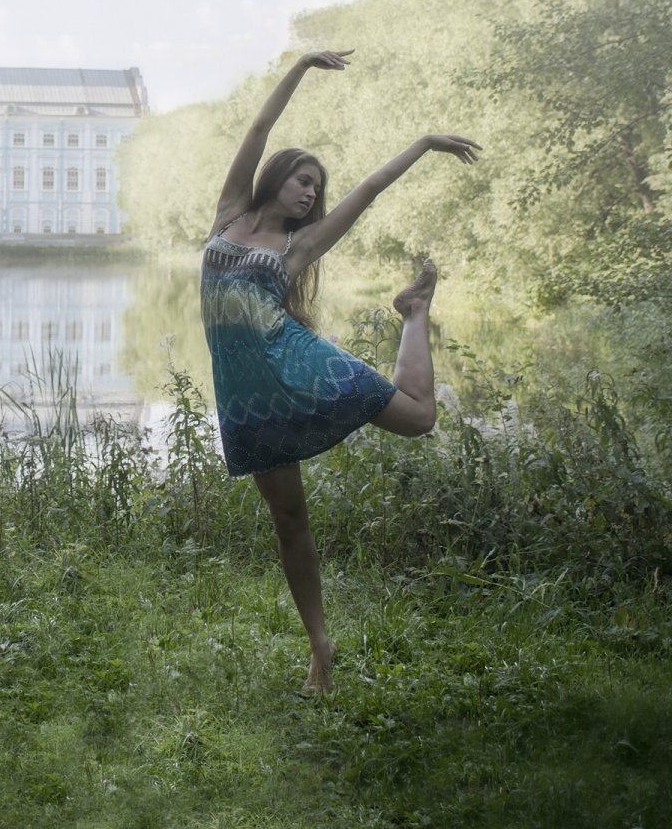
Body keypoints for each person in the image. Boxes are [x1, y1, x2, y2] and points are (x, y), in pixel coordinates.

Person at [202, 48, 481, 694]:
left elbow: (370, 190)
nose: (311, 192)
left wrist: (422, 143)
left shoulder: (299, 247)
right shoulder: (229, 216)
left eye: (316, 188)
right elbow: (256, 131)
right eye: (303, 180)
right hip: (244, 396)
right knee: (289, 520)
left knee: (418, 419)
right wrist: (299, 66)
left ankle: (414, 314)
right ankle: (320, 649)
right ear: (276, 179)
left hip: (296, 363)